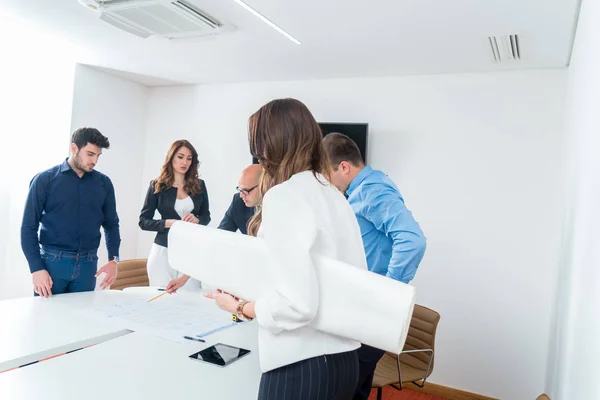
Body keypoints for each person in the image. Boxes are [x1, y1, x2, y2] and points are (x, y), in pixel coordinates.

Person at [204, 98, 367, 400]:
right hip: (344, 362)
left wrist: (240, 308)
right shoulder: (333, 194)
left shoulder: (285, 195)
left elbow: (297, 305)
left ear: (271, 146)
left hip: (301, 367)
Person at [322, 132, 427, 400]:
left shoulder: (372, 190)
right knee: (355, 386)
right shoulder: (364, 188)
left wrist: (388, 291)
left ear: (344, 167)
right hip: (361, 305)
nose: (327, 182)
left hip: (372, 308)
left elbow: (412, 241)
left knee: (347, 386)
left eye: (327, 173)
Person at [21, 127, 121, 297]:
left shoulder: (104, 184)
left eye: (98, 156)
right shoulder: (44, 180)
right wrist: (36, 269)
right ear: (74, 148)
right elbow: (28, 227)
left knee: (81, 320)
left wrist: (114, 260)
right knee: (47, 318)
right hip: (52, 263)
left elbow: (111, 224)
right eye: (90, 154)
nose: (95, 161)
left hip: (88, 265)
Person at [139, 140, 210, 293]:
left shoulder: (200, 185)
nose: (185, 162)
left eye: (189, 158)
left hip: (190, 250)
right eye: (180, 157)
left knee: (191, 298)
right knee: (162, 299)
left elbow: (206, 216)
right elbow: (143, 221)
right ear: (171, 158)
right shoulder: (157, 185)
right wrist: (167, 223)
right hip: (163, 250)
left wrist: (197, 220)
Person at [217, 164, 262, 234]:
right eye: (240, 190)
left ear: (262, 186)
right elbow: (221, 234)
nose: (241, 195)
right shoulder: (238, 202)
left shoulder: (278, 207)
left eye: (246, 190)